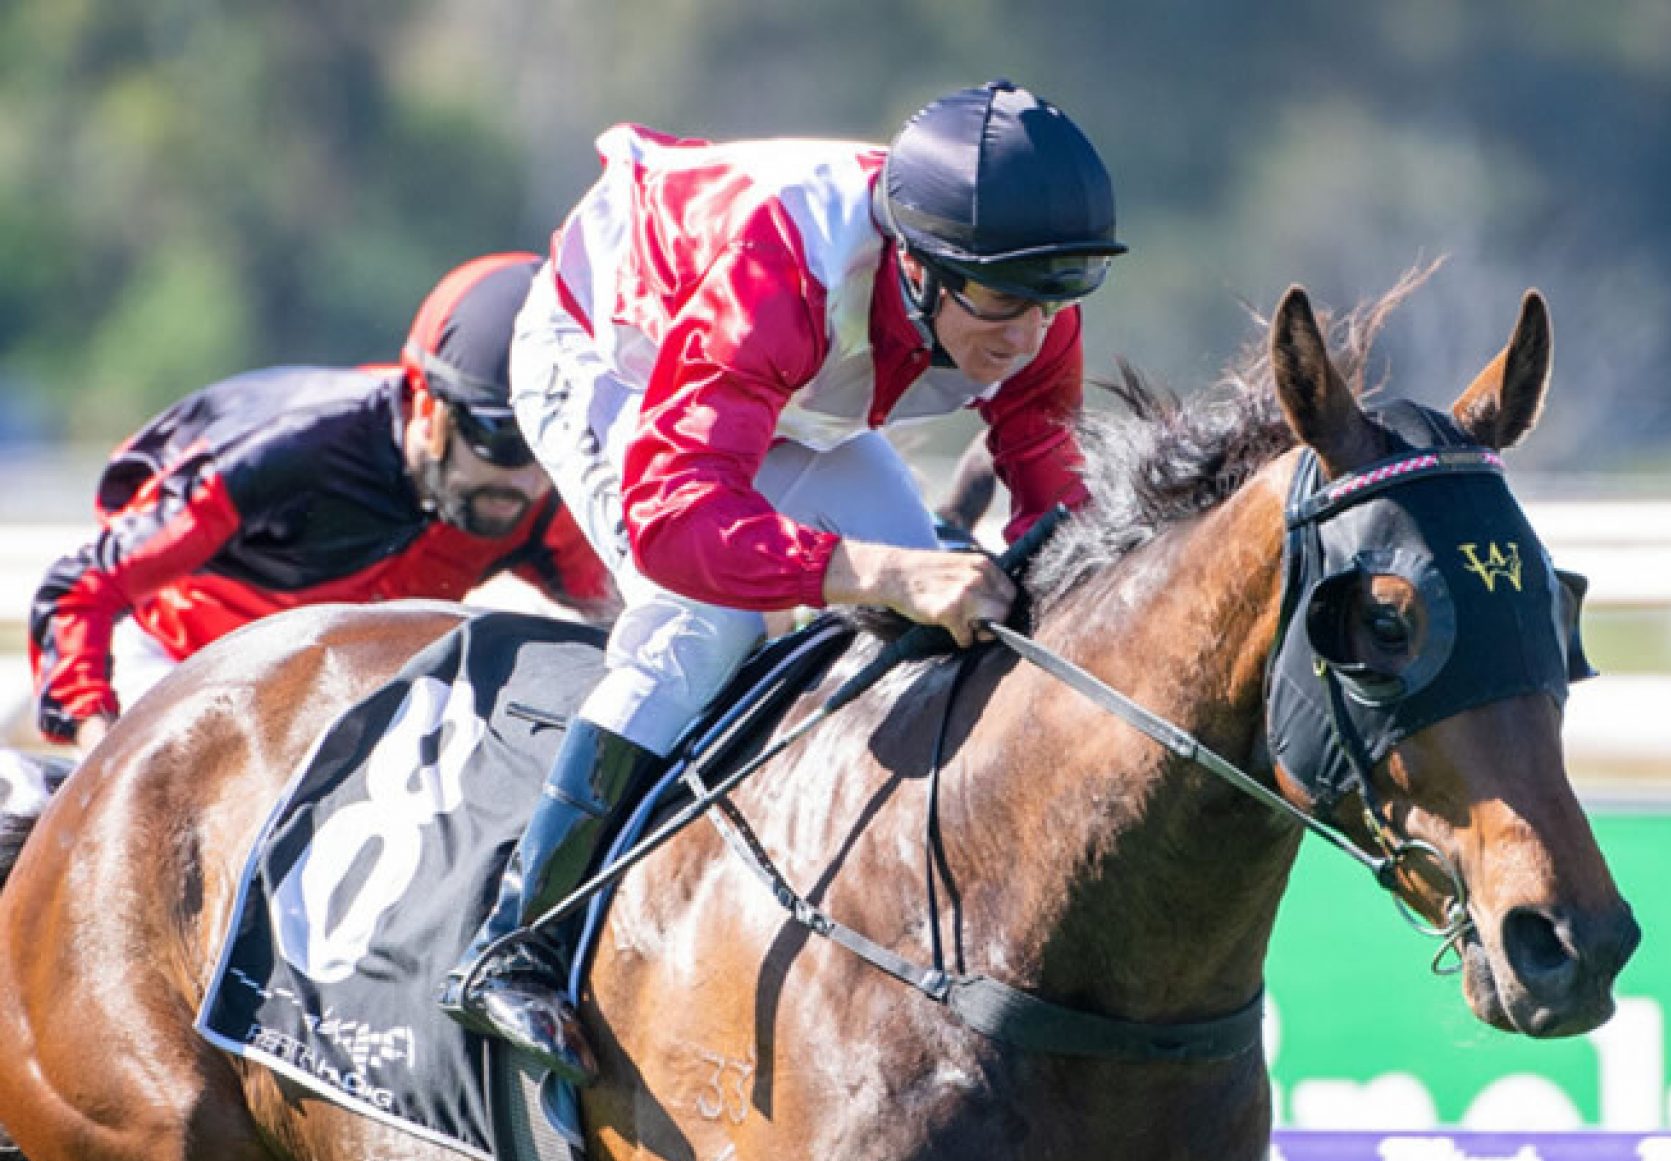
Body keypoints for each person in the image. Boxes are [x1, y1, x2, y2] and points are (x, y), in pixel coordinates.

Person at [439, 80, 1126, 1084]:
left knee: (952, 618)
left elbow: (1056, 490)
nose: (1030, 331)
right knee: (705, 622)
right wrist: (878, 570)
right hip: (611, 358)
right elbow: (673, 521)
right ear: (919, 266)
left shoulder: (1022, 293)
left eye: (1058, 294)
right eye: (1003, 298)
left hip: (790, 403)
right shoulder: (783, 266)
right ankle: (516, 938)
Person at [28, 252, 615, 753]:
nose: (532, 482)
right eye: (507, 438)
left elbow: (628, 620)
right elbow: (78, 588)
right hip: (179, 671)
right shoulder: (289, 452)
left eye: (558, 439)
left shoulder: (537, 504)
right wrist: (100, 746)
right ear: (431, 411)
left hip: (338, 704)